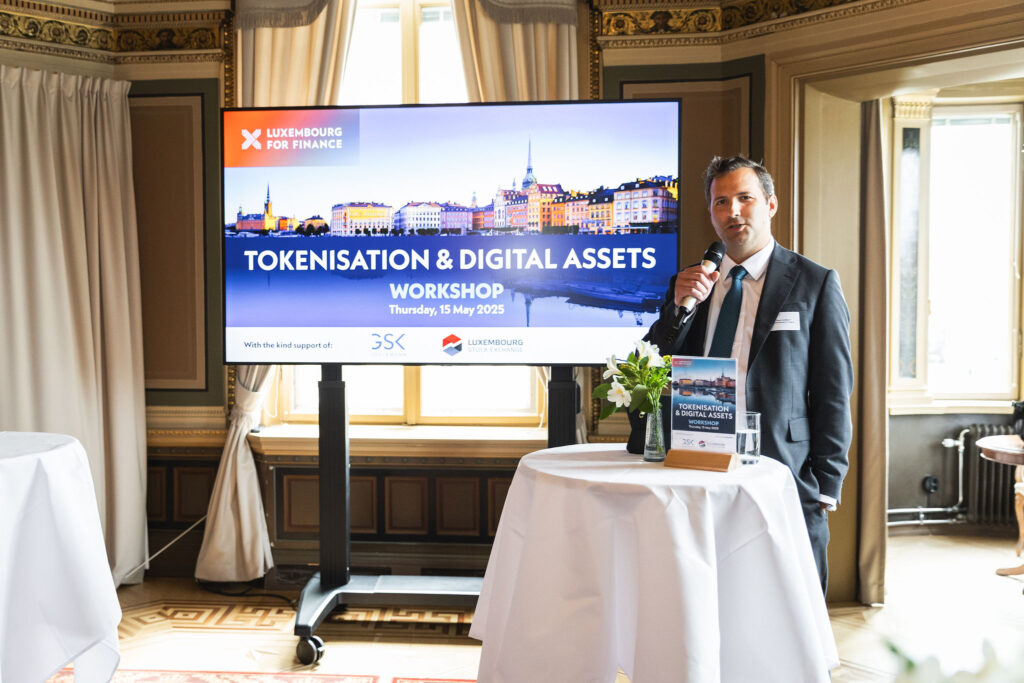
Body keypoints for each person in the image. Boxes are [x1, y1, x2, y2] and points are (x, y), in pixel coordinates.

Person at [641, 154, 853, 593]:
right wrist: (676, 310)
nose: (732, 211)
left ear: (770, 204)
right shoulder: (690, 284)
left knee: (788, 606)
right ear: (711, 213)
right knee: (706, 600)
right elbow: (653, 365)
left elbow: (833, 392)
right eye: (721, 202)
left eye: (745, 198)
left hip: (781, 472)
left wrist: (826, 485)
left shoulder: (814, 283)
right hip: (696, 470)